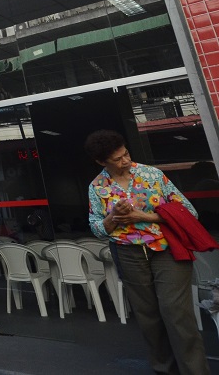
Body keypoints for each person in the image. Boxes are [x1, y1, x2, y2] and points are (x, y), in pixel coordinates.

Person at [87, 129, 208, 375]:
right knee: (148, 318)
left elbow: (189, 212)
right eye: (118, 159)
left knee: (176, 313)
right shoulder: (97, 187)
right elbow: (98, 229)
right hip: (128, 254)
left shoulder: (152, 174)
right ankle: (164, 370)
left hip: (166, 249)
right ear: (102, 162)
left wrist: (145, 216)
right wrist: (113, 217)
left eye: (126, 154)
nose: (126, 161)